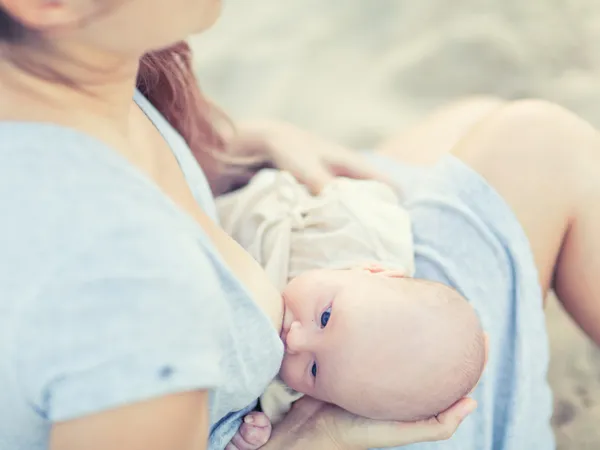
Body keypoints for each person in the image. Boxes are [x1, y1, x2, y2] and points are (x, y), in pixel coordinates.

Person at [0, 1, 475, 450]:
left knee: (479, 121)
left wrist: (241, 145)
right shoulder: (135, 287)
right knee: (530, 139)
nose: (296, 339)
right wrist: (310, 438)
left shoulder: (77, 78)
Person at [214, 169, 485, 434]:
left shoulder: (284, 395)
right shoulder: (361, 232)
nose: (295, 341)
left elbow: (258, 421)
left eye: (315, 370)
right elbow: (362, 185)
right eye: (325, 317)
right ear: (376, 271)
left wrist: (252, 435)